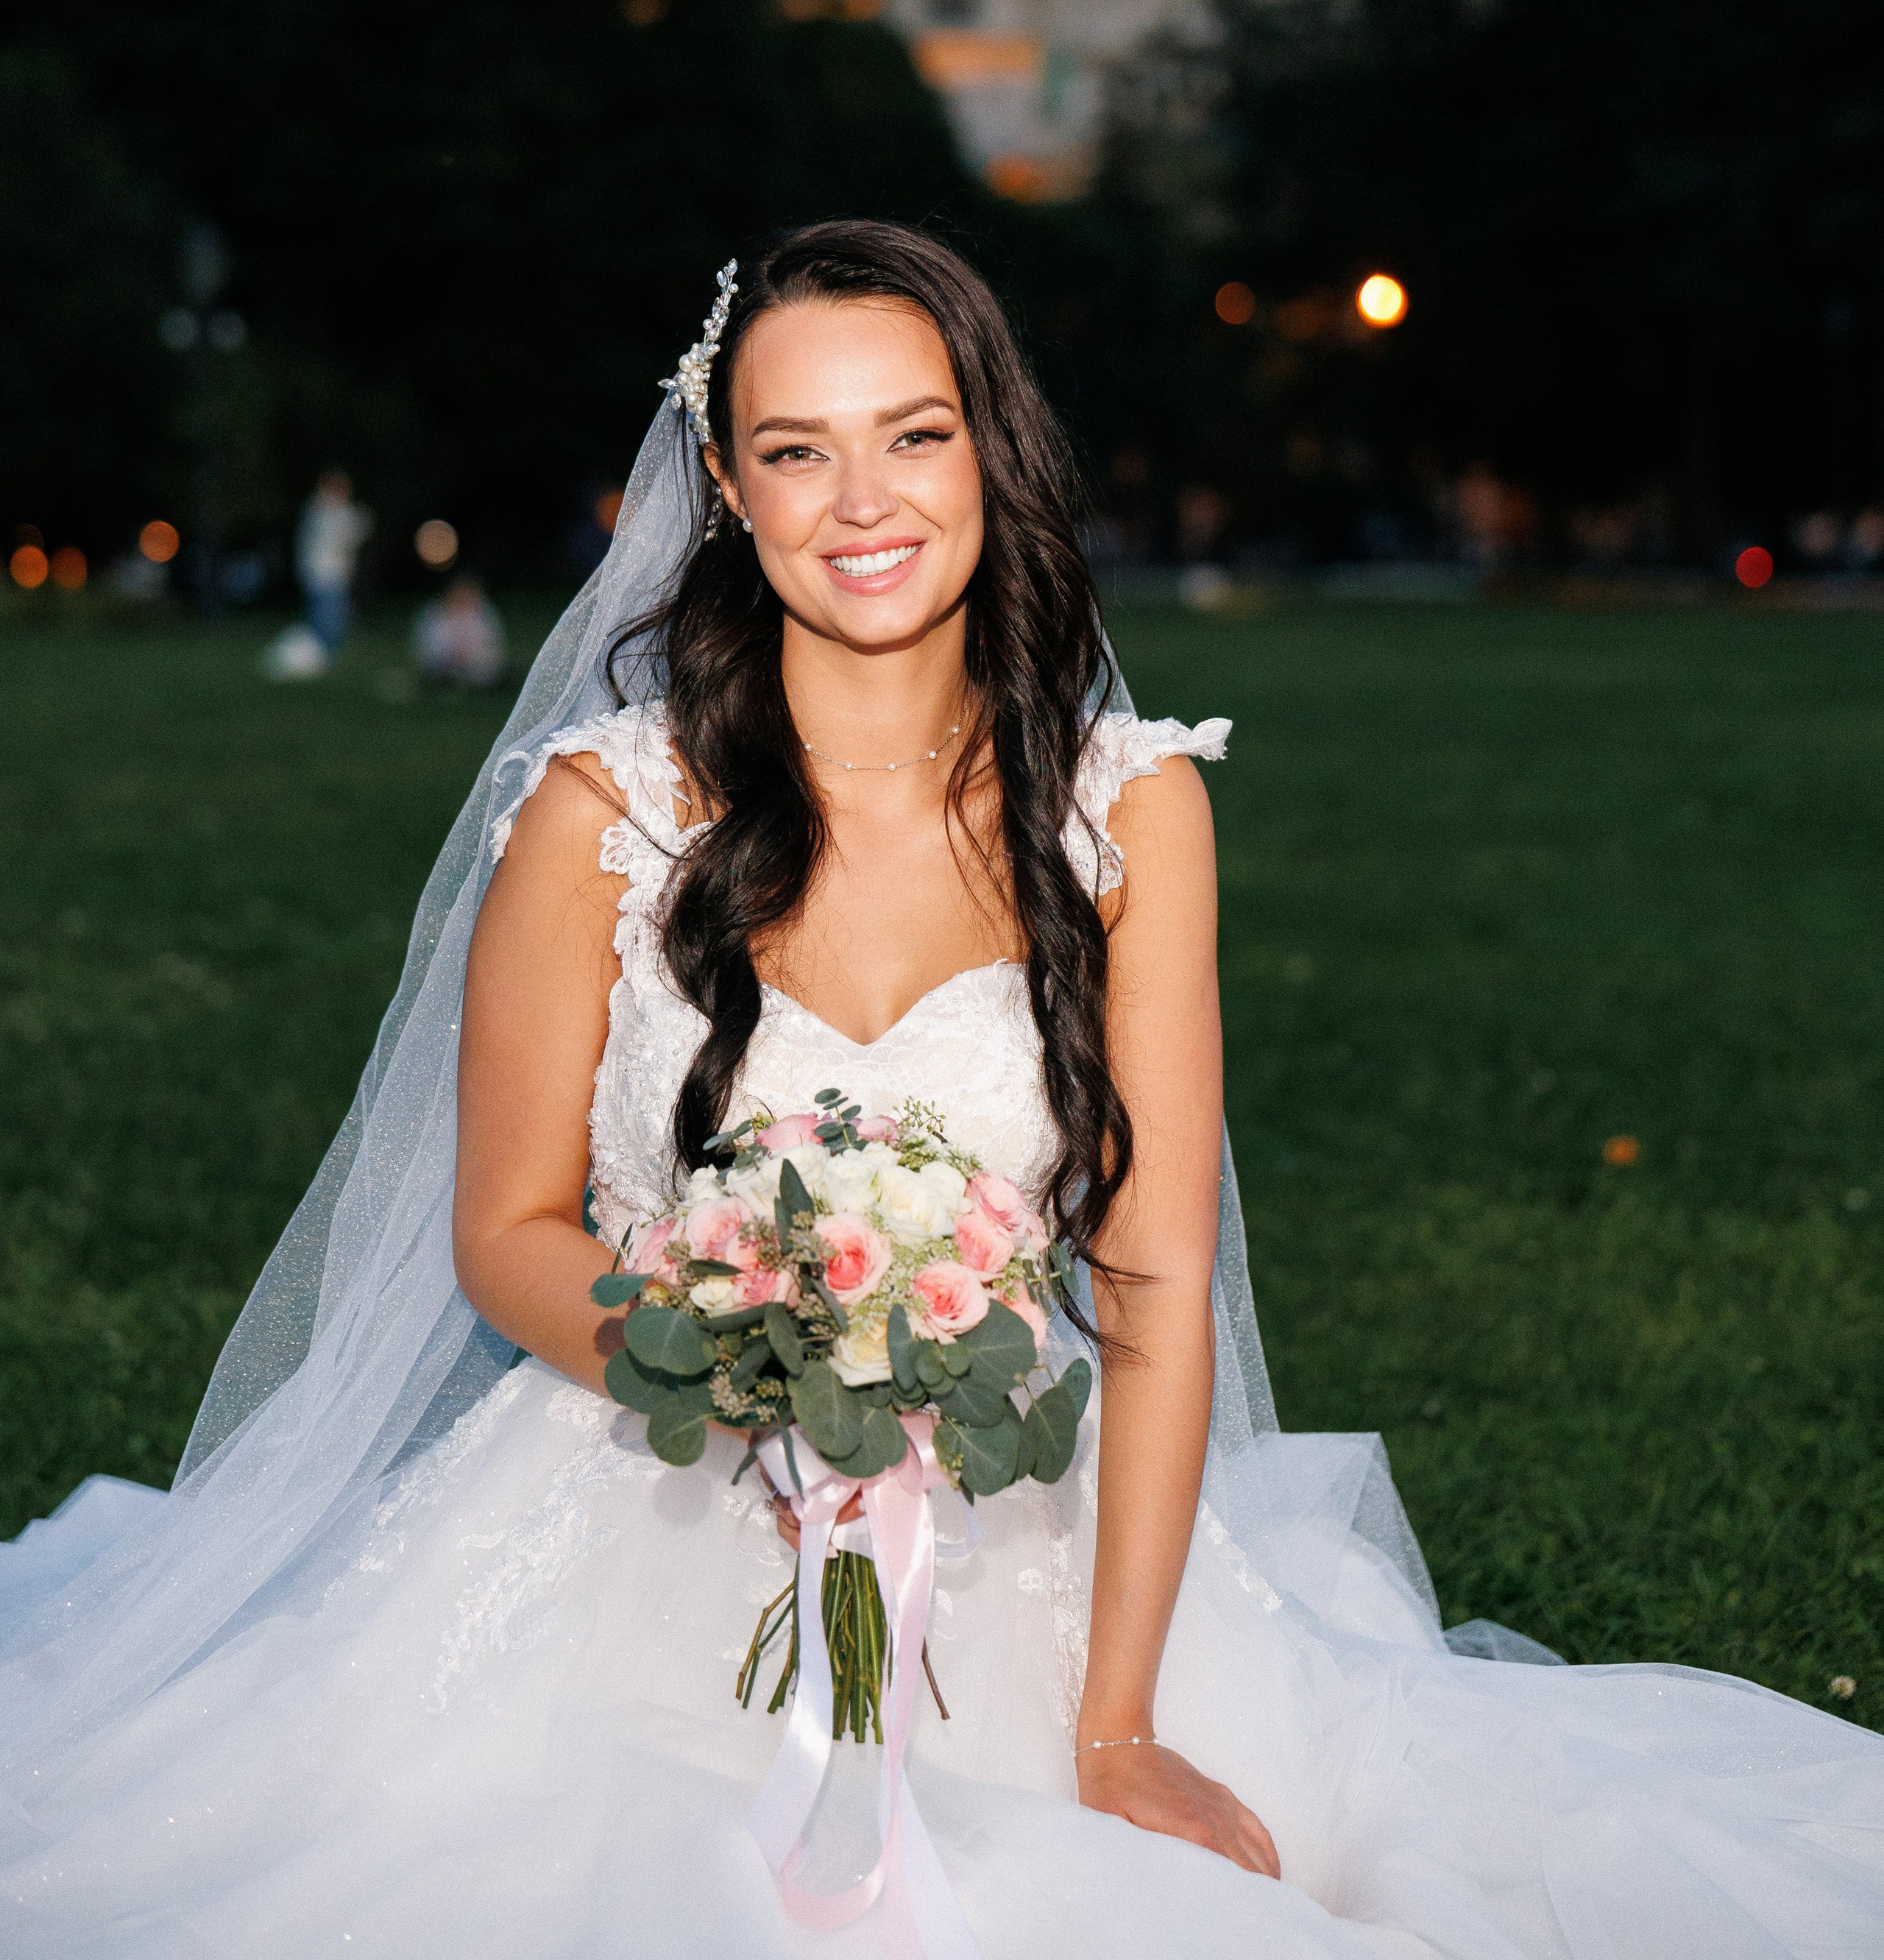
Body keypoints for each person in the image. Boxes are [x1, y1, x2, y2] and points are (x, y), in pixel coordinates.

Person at [1, 221, 1879, 1958]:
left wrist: (1121, 1717)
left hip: (1026, 1517)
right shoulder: (598, 816)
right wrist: (739, 1353)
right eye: (796, 450)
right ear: (725, 490)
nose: (862, 499)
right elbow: (502, 1231)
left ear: (992, 448)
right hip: (635, 1498)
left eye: (911, 433)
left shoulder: (1133, 807)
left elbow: (1145, 1292)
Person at [294, 467, 374, 652]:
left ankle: (321, 651)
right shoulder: (323, 511)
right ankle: (321, 652)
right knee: (325, 616)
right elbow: (354, 531)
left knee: (329, 614)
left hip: (331, 573)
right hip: (324, 573)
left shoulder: (331, 511)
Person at [413, 573, 507, 688]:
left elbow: (493, 646)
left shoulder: (483, 613)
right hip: (444, 667)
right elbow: (428, 648)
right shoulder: (435, 614)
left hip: (478, 668)